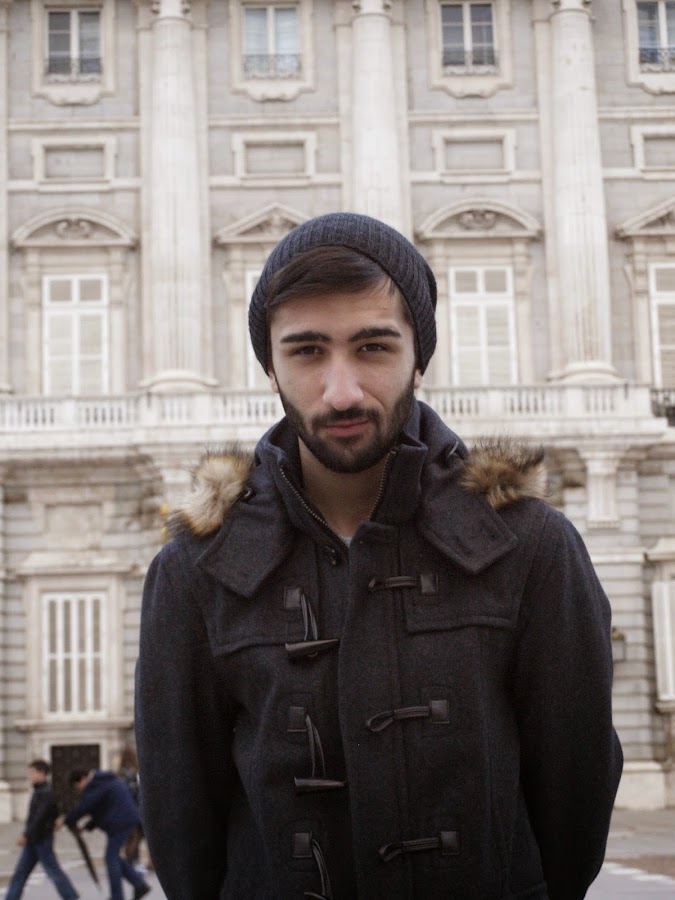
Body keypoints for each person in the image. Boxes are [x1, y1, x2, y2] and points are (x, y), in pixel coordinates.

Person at [136, 212, 623, 900]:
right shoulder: (194, 571)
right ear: (269, 366)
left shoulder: (533, 548)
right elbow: (182, 828)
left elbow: (574, 806)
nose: (341, 391)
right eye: (307, 351)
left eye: (372, 347)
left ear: (419, 356)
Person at [62, 768, 151, 900]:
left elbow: (86, 806)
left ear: (82, 779)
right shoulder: (103, 781)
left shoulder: (97, 784)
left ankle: (118, 896)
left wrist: (67, 820)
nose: (80, 791)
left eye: (78, 787)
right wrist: (86, 827)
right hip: (122, 820)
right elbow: (101, 809)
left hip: (120, 822)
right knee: (115, 858)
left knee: (111, 858)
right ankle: (139, 885)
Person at [5, 759, 79, 900]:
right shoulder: (40, 791)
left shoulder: (45, 793)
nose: (30, 776)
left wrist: (26, 835)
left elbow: (39, 818)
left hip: (41, 839)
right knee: (21, 873)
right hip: (35, 840)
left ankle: (71, 896)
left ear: (42, 773)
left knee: (52, 871)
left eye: (32, 772)